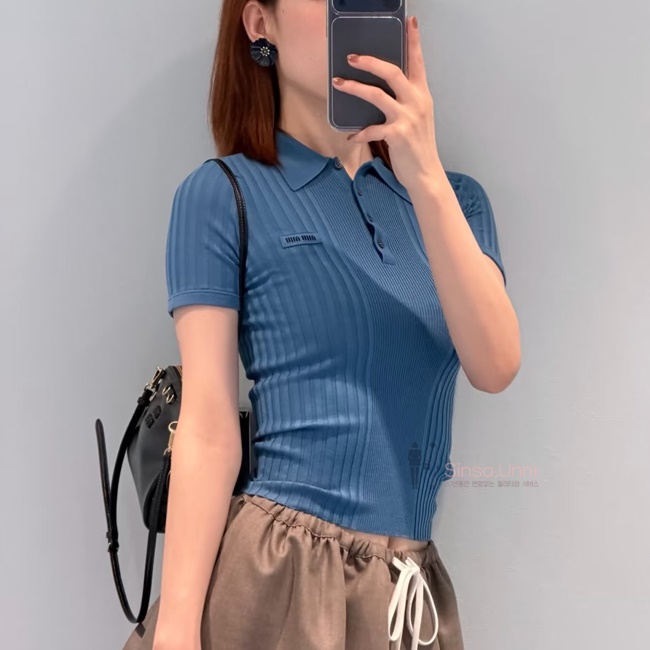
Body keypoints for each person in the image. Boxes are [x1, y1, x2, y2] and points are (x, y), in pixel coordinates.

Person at [124, 1, 520, 649]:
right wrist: (176, 632)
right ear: (261, 24)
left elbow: (496, 364)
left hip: (409, 593)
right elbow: (208, 428)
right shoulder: (223, 193)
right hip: (277, 577)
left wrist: (423, 170)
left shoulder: (457, 202)